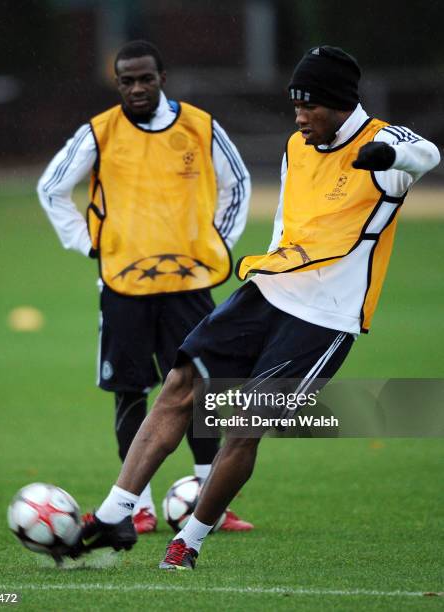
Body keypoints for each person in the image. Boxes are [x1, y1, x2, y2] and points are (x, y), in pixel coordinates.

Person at [70, 46, 440, 566]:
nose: (299, 117)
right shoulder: (297, 144)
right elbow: (289, 223)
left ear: (337, 103)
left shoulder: (382, 144)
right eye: (295, 105)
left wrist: (388, 158)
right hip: (266, 290)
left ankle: (189, 541)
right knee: (180, 383)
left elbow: (427, 153)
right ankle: (114, 515)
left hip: (325, 316)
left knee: (245, 423)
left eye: (308, 106)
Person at [37, 40, 253, 534]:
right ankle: (139, 509)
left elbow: (237, 183)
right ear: (117, 84)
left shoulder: (200, 126)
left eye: (145, 79)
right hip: (123, 286)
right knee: (131, 390)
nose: (137, 88)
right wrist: (90, 244)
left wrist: (216, 244)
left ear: (162, 77)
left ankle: (210, 504)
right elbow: (51, 187)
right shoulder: (99, 132)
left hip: (190, 283)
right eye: (126, 81)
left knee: (204, 387)